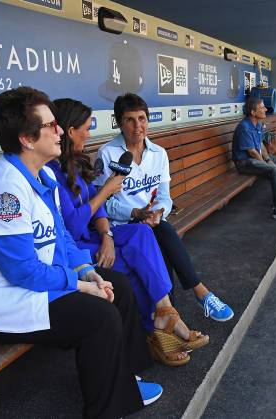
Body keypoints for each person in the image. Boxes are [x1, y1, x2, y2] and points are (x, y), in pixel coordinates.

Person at [0, 87, 162, 418]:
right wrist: (80, 286)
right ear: (27, 139)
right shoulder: (4, 191)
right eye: (51, 125)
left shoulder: (41, 174)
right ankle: (108, 408)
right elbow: (22, 272)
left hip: (30, 286)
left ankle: (124, 375)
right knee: (99, 317)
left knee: (116, 285)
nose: (60, 130)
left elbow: (62, 236)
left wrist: (86, 271)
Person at [49, 98, 209, 367]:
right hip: (73, 248)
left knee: (144, 235)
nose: (89, 134)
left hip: (96, 236)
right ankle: (160, 328)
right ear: (70, 130)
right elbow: (74, 225)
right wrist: (107, 191)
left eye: (142, 119)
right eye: (85, 129)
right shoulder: (51, 171)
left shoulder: (74, 163)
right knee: (136, 265)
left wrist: (107, 236)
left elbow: (96, 212)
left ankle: (164, 313)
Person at [94, 93, 234, 322]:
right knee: (164, 235)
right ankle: (199, 293)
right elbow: (103, 202)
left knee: (161, 231)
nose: (137, 126)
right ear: (119, 123)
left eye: (142, 118)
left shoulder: (158, 153)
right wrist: (135, 213)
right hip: (122, 225)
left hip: (152, 221)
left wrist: (159, 213)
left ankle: (172, 316)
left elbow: (165, 197)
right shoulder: (108, 153)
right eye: (130, 120)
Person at [232, 96, 276, 221]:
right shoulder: (244, 127)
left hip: (257, 158)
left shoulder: (258, 124)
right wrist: (268, 164)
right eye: (262, 108)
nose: (265, 109)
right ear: (253, 112)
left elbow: (260, 146)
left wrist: (268, 160)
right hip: (245, 162)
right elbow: (252, 152)